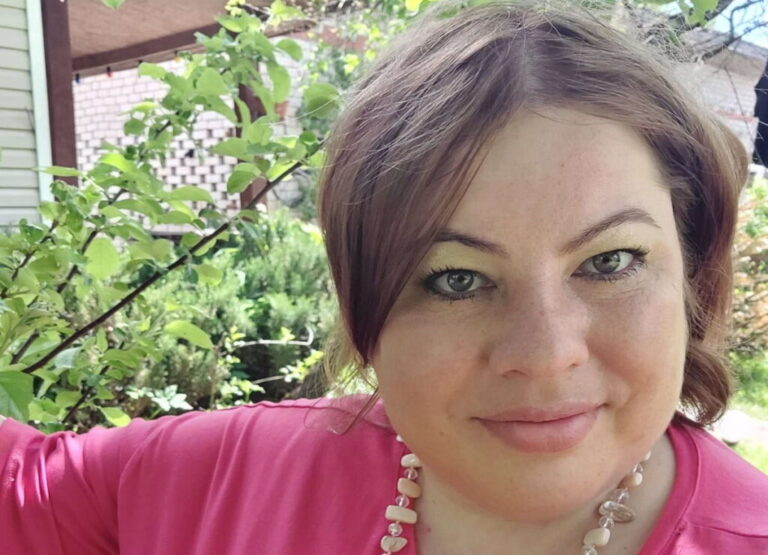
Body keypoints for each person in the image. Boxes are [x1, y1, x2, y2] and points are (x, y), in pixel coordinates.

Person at [2, 1, 768, 553]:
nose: (543, 353)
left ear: (691, 273)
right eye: (455, 278)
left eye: (609, 261)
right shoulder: (223, 480)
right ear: (363, 303)